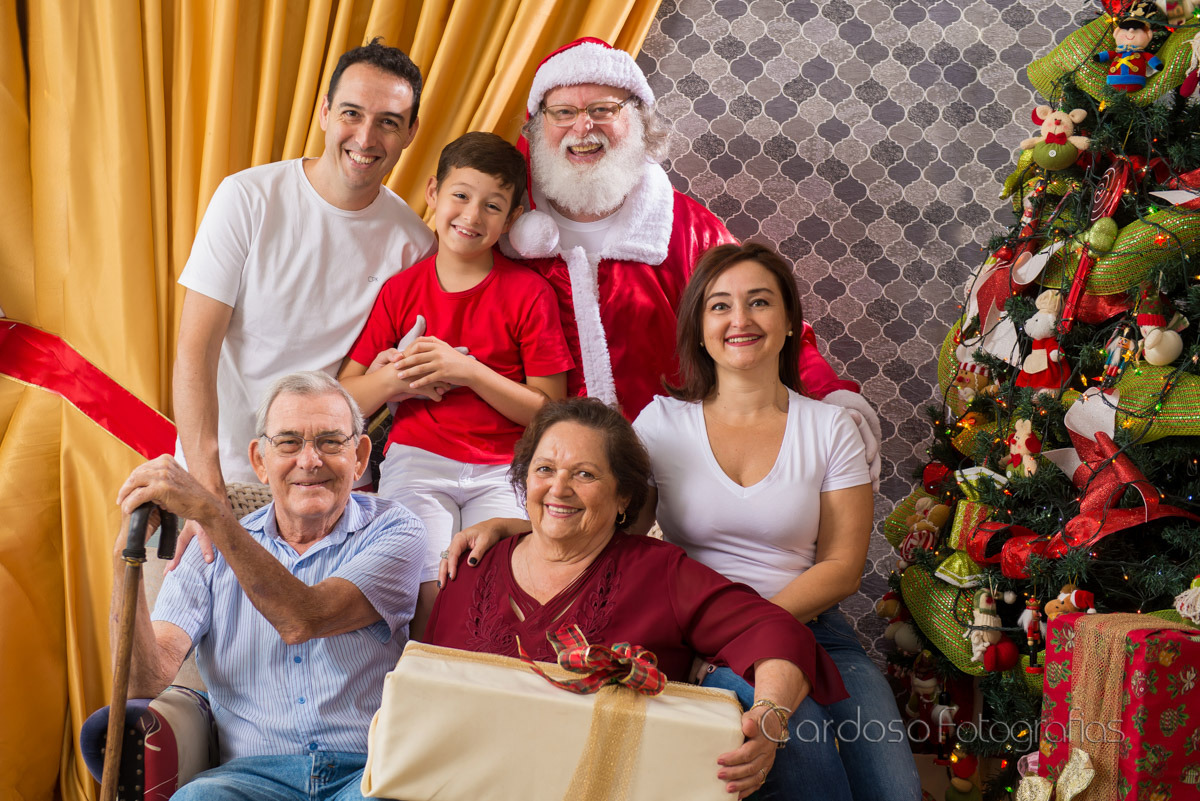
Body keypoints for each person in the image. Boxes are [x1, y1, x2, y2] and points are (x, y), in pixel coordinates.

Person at [499, 37, 881, 486]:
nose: (583, 128)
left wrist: (828, 393)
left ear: (638, 119)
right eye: (563, 112)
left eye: (604, 109)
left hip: (663, 478)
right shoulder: (498, 226)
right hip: (518, 478)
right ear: (537, 125)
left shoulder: (689, 231)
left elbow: (761, 324)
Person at [425, 397, 848, 800]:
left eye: (585, 474)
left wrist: (769, 715)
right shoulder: (471, 566)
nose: (559, 488)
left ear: (623, 496)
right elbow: (427, 699)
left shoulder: (660, 572)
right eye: (545, 469)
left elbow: (775, 631)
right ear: (524, 478)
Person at [629, 243, 921, 801]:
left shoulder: (832, 426)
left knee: (892, 788)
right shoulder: (660, 424)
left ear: (789, 323)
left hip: (815, 627)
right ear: (697, 327)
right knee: (804, 744)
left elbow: (841, 568)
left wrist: (752, 623)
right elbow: (618, 536)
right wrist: (512, 529)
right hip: (707, 637)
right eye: (720, 306)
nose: (740, 319)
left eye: (759, 302)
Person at [170, 38, 436, 569]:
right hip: (223, 476)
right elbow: (194, 353)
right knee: (201, 648)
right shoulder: (247, 199)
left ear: (410, 133)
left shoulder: (413, 244)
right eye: (352, 113)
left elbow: (379, 384)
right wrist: (206, 492)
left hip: (325, 493)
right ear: (324, 113)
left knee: (313, 647)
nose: (365, 137)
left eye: (388, 121)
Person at [112, 372, 425, 800]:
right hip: (248, 779)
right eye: (289, 443)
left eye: (331, 441)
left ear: (360, 455)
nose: (310, 460)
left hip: (369, 774)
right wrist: (121, 561)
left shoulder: (395, 530)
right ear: (260, 460)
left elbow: (304, 618)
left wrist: (213, 515)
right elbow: (144, 682)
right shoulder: (208, 549)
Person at [339, 131, 573, 638]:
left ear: (511, 220)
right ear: (433, 193)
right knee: (423, 587)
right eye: (460, 196)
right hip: (418, 460)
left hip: (504, 468)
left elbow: (550, 412)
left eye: (493, 206)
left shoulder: (529, 294)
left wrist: (466, 371)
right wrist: (399, 377)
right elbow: (345, 399)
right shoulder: (402, 290)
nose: (471, 215)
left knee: (488, 590)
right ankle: (417, 689)